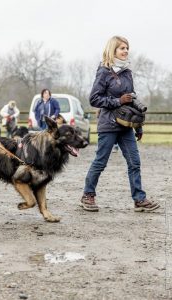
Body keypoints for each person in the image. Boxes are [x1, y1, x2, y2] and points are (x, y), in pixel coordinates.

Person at [80, 35, 160, 213]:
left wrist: (138, 125)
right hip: (108, 125)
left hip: (125, 126)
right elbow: (94, 99)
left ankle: (139, 199)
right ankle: (88, 195)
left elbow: (132, 100)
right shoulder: (104, 72)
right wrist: (117, 101)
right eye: (122, 48)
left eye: (127, 48)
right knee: (100, 162)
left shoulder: (127, 73)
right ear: (113, 50)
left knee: (135, 162)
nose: (126, 51)